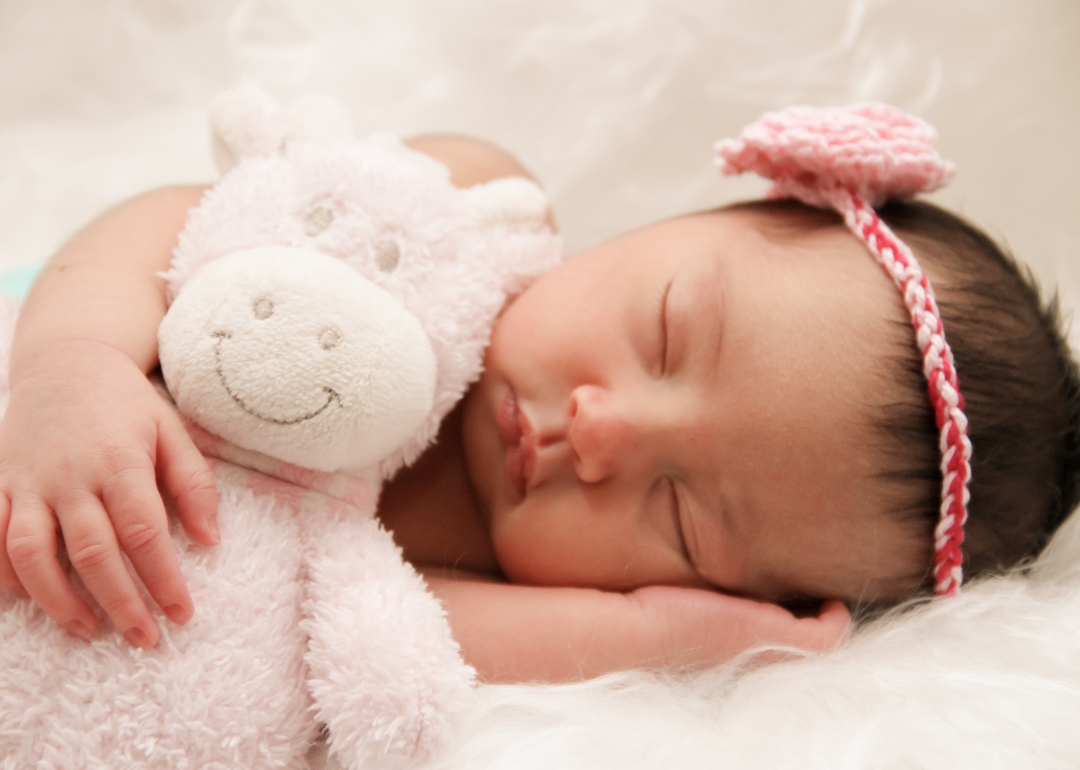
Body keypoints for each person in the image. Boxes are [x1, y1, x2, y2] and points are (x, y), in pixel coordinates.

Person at [0, 108, 1077, 684]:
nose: (601, 434)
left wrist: (657, 636)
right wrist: (73, 362)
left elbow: (388, 634)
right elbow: (191, 218)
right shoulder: (473, 212)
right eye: (667, 330)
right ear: (699, 215)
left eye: (683, 515)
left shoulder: (490, 571)